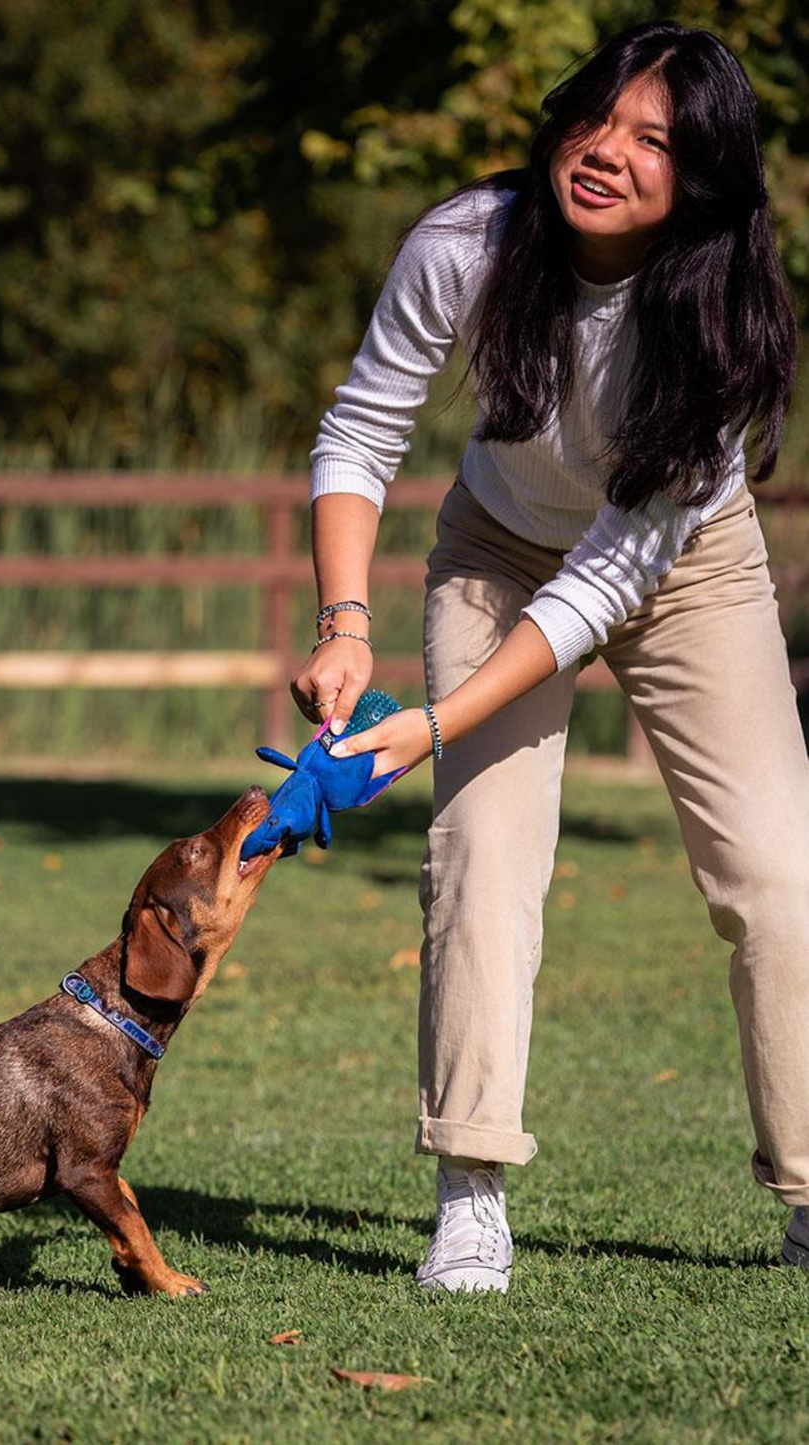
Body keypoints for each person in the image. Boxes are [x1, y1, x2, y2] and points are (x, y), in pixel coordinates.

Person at [294, 20, 809, 1292]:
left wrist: (429, 720)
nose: (609, 154)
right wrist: (344, 625)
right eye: (598, 118)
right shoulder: (464, 243)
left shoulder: (726, 322)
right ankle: (469, 1189)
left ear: (701, 181)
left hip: (683, 569)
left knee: (775, 874)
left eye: (654, 143)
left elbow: (609, 584)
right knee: (481, 856)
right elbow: (360, 428)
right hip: (497, 548)